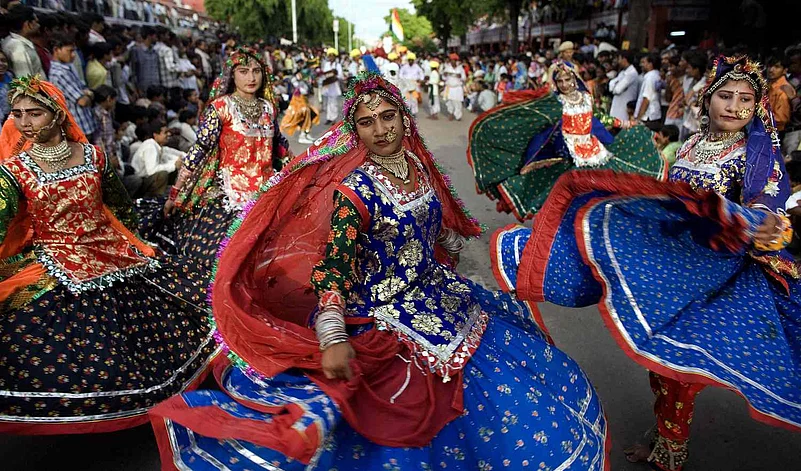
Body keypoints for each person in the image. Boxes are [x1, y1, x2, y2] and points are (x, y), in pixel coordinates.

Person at [148, 70, 610, 470]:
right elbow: (332, 271)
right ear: (356, 131)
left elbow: (433, 237)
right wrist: (333, 338)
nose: (381, 129)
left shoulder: (417, 166)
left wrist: (463, 260)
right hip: (387, 314)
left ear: (403, 117)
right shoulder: (355, 193)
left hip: (442, 297)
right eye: (366, 122)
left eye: (388, 116)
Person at [491, 55, 801, 471]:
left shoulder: (756, 156)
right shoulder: (690, 145)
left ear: (756, 106)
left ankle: (670, 454)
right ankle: (665, 438)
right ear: (707, 99)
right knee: (661, 360)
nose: (733, 105)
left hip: (716, 278)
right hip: (674, 264)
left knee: (677, 367)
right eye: (725, 95)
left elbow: (769, 207)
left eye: (745, 99)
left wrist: (761, 225)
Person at [0, 75, 217, 434]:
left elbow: (121, 207)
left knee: (163, 324)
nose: (24, 122)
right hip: (57, 261)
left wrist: (129, 243)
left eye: (34, 113)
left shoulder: (93, 156)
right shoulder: (13, 171)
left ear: (56, 115)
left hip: (113, 254)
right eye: (18, 114)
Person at [467, 60, 666, 221]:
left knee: (600, 192)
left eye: (567, 79)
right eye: (559, 80)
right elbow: (536, 120)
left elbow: (597, 118)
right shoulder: (555, 101)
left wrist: (623, 124)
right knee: (561, 198)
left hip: (593, 152)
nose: (564, 84)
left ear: (574, 78)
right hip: (565, 154)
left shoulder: (586, 97)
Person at [159, 47, 291, 270]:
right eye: (243, 71)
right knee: (224, 261)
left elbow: (279, 146)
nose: (251, 77)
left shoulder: (268, 107)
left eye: (256, 71)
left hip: (268, 189)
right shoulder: (221, 108)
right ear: (232, 75)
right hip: (232, 193)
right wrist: (176, 192)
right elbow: (200, 149)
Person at [48, 33, 97, 142]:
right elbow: (82, 101)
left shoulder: (67, 68)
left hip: (83, 126)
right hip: (78, 128)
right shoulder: (60, 73)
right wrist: (90, 94)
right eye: (70, 51)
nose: (73, 55)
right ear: (56, 50)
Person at [128, 120, 182, 197]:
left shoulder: (157, 146)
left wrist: (176, 163)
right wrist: (174, 165)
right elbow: (152, 171)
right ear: (155, 135)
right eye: (165, 132)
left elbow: (168, 157)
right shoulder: (150, 146)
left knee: (170, 169)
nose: (168, 134)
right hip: (141, 180)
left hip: (146, 179)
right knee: (162, 174)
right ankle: (153, 198)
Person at [1, 6, 47, 80]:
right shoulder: (17, 47)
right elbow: (24, 82)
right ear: (27, 24)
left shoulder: (11, 41)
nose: (38, 25)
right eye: (36, 22)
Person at [280, 68, 319, 145]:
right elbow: (296, 86)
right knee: (304, 117)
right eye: (299, 74)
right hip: (297, 105)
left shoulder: (304, 81)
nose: (301, 75)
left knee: (312, 115)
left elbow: (308, 90)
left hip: (304, 102)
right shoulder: (295, 81)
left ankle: (306, 133)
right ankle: (302, 136)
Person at [767, 56, 796, 134]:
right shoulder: (769, 85)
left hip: (776, 131)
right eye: (769, 66)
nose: (771, 70)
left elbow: (781, 118)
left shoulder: (783, 89)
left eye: (777, 67)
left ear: (785, 70)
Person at [608, 51, 639, 123]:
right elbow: (611, 85)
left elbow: (618, 90)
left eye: (619, 59)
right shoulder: (622, 72)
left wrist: (615, 86)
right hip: (617, 108)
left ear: (624, 59)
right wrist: (615, 86)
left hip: (624, 109)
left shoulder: (632, 73)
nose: (618, 61)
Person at [635, 53, 663, 131]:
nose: (641, 65)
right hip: (654, 115)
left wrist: (638, 118)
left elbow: (646, 99)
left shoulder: (650, 77)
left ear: (651, 64)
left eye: (644, 62)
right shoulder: (656, 74)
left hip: (648, 116)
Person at [321, 48, 343, 125]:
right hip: (328, 85)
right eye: (329, 56)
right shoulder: (326, 64)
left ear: (334, 57)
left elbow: (341, 76)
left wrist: (335, 75)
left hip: (334, 86)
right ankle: (329, 118)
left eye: (332, 56)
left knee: (334, 103)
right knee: (328, 102)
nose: (330, 57)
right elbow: (324, 74)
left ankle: (334, 118)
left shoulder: (338, 65)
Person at [442, 53, 466, 121]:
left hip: (457, 87)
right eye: (451, 60)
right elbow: (443, 77)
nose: (452, 61)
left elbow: (464, 78)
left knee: (458, 102)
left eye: (454, 60)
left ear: (456, 61)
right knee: (449, 102)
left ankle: (458, 116)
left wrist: (460, 76)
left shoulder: (460, 68)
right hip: (449, 87)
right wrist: (445, 74)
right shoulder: (447, 68)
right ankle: (451, 113)